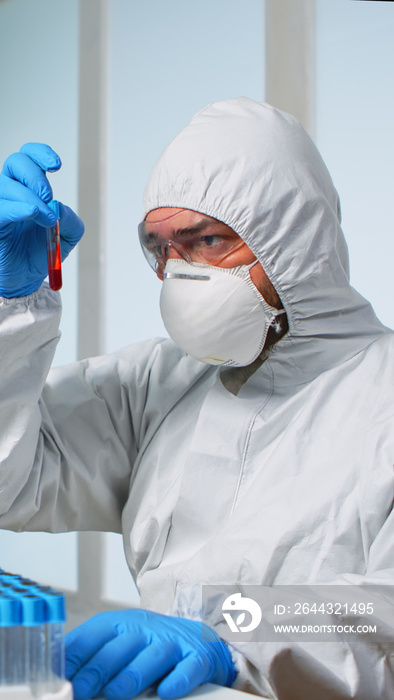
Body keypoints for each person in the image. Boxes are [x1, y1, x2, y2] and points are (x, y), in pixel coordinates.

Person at [0, 98, 394, 700]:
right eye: (161, 248)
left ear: (294, 240)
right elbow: (12, 480)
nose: (179, 274)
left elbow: (385, 614)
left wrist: (229, 641)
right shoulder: (159, 382)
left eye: (206, 240)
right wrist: (12, 309)